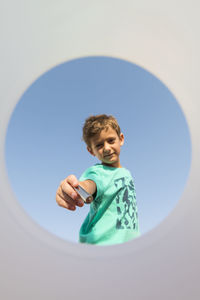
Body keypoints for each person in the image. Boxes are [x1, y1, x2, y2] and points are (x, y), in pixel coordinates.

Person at [56, 114, 140, 245]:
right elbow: (90, 184)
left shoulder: (125, 173)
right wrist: (76, 188)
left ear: (121, 139)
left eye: (111, 140)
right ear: (91, 151)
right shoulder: (98, 172)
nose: (106, 148)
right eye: (99, 145)